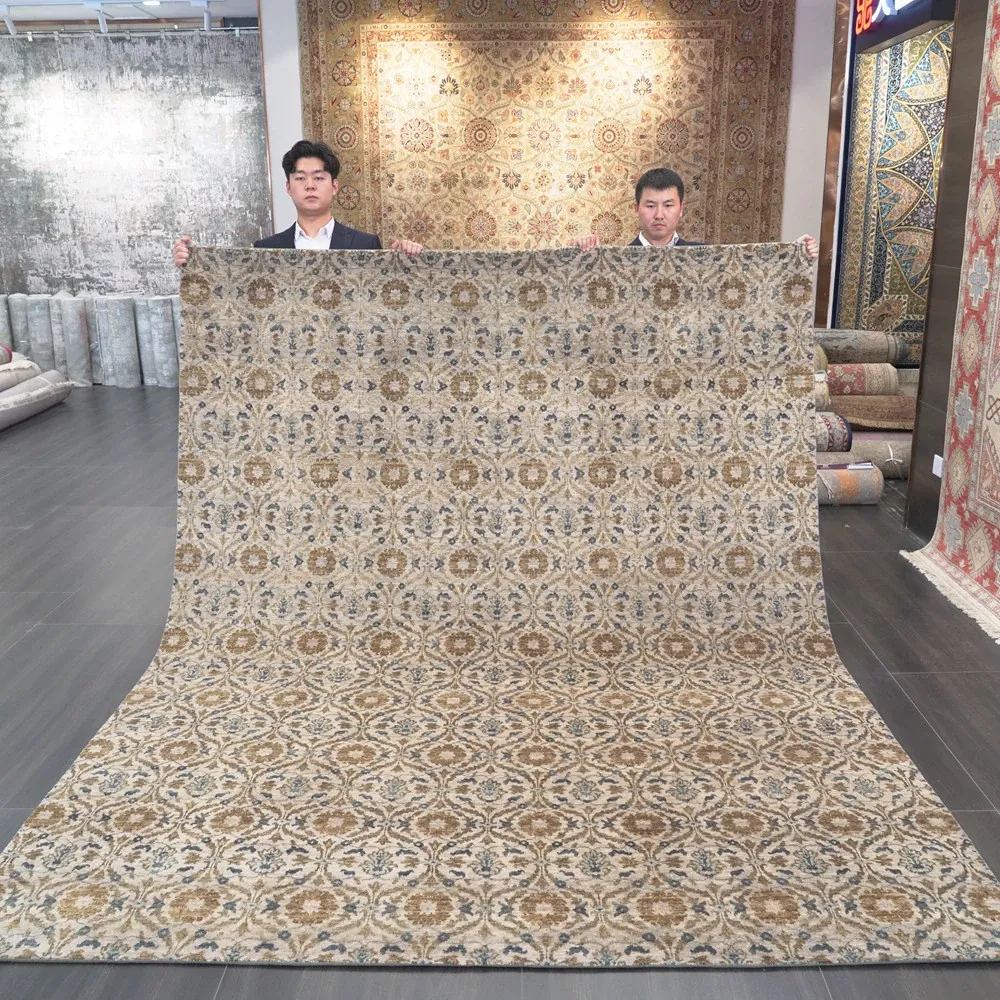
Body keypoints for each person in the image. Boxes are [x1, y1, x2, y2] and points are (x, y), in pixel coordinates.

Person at [172, 139, 422, 266]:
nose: (310, 185)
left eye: (319, 178)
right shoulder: (265, 249)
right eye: (300, 178)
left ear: (334, 187)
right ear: (288, 187)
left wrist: (408, 258)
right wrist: (194, 261)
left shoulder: (366, 244)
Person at [573, 166, 818, 261]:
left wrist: (795, 254)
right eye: (650, 205)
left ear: (681, 210)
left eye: (668, 205)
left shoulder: (704, 256)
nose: (659, 214)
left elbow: (751, 272)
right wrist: (579, 257)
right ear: (636, 209)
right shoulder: (615, 261)